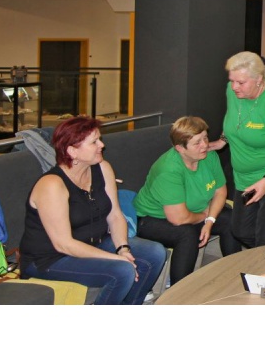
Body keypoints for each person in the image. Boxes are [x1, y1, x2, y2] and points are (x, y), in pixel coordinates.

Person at [19, 116, 166, 305]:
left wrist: (123, 249)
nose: (102, 145)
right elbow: (64, 245)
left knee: (155, 253)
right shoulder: (52, 185)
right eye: (94, 142)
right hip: (50, 259)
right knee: (122, 271)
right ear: (72, 151)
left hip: (94, 242)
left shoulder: (102, 168)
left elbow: (115, 215)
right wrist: (116, 259)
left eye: (100, 139)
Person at [208, 51, 265, 248]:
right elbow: (235, 121)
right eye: (232, 80)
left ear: (259, 79)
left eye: (241, 82)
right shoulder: (232, 91)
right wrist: (222, 141)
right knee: (241, 231)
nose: (234, 87)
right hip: (245, 177)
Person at [133, 116, 241, 285]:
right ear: (180, 148)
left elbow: (220, 192)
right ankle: (179, 290)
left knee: (230, 219)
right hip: (152, 218)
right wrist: (205, 216)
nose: (205, 145)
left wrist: (210, 221)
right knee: (187, 235)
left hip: (194, 212)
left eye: (205, 138)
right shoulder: (168, 170)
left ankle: (238, 274)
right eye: (197, 142)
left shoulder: (209, 156)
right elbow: (178, 218)